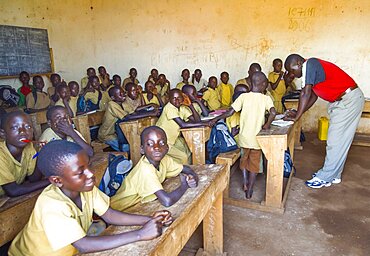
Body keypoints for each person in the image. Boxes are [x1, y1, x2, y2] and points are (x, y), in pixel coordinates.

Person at [9, 140, 172, 256]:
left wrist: (149, 219)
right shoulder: (51, 205)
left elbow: (109, 215)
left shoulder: (84, 187)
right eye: (80, 172)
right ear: (57, 181)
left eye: (88, 166)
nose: (90, 174)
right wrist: (140, 234)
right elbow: (83, 245)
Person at [284, 54, 365, 188]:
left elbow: (305, 93)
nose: (292, 74)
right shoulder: (312, 71)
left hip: (348, 100)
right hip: (343, 102)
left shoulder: (311, 64)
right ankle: (334, 175)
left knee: (334, 141)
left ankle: (326, 177)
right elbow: (313, 97)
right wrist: (299, 112)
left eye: (292, 70)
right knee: (339, 142)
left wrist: (297, 116)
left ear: (299, 63)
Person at [212, 72, 276, 199]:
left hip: (244, 138)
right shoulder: (266, 99)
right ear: (264, 84)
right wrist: (267, 124)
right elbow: (273, 112)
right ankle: (250, 188)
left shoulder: (243, 97)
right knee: (254, 164)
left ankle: (245, 182)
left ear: (250, 83)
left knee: (244, 159)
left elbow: (230, 112)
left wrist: (215, 119)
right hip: (257, 140)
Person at [111, 126, 198, 211]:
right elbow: (167, 201)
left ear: (167, 148)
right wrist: (185, 185)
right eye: (150, 144)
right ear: (142, 149)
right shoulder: (145, 170)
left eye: (161, 143)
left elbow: (185, 168)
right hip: (119, 210)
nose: (157, 148)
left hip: (138, 205)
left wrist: (193, 177)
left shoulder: (164, 160)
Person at [0, 111, 49, 197]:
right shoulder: (1, 154)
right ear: (3, 133)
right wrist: (51, 181)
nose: (22, 131)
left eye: (27, 126)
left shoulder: (29, 147)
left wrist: (41, 153)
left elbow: (34, 179)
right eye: (15, 127)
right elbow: (13, 191)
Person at [156, 89, 210, 164]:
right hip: (163, 141)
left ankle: (190, 169)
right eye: (174, 98)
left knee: (189, 151)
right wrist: (206, 123)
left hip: (174, 139)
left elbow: (197, 120)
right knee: (183, 157)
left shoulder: (182, 108)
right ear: (169, 99)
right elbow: (183, 124)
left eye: (179, 98)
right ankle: (183, 172)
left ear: (183, 98)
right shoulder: (169, 107)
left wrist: (190, 105)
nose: (177, 100)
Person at [98, 86, 158, 152]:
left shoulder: (123, 103)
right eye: (120, 94)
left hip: (116, 133)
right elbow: (127, 117)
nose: (123, 95)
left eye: (123, 92)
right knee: (129, 148)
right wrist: (150, 113)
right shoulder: (111, 104)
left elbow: (133, 112)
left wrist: (149, 109)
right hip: (107, 135)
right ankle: (130, 160)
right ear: (113, 98)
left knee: (136, 143)